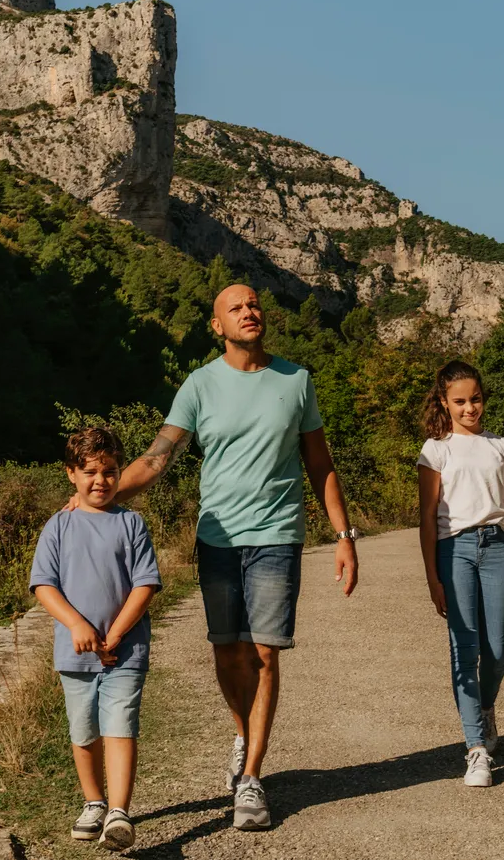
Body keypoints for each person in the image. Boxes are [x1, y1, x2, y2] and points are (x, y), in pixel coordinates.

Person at [100, 283, 359, 831]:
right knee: (227, 654)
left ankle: (252, 779)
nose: (249, 312)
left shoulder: (296, 379)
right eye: (235, 308)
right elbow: (156, 457)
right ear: (217, 326)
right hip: (217, 538)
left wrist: (344, 534)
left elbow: (320, 463)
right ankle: (243, 735)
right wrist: (98, 496)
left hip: (277, 534)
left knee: (264, 654)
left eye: (254, 304)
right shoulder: (200, 385)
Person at [30, 426, 162, 851]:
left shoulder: (131, 524)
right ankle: (94, 802)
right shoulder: (58, 526)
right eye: (90, 471)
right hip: (76, 654)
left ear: (120, 473)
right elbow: (44, 586)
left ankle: (119, 813)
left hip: (125, 651)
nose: (100, 480)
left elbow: (145, 585)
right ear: (71, 473)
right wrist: (78, 626)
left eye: (109, 471)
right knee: (84, 730)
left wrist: (117, 632)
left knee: (121, 725)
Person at [416, 360, 504, 787]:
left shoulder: (500, 446)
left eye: (476, 399)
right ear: (444, 403)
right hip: (455, 550)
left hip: (497, 547)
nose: (470, 408)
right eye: (460, 401)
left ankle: (484, 709)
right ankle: (476, 748)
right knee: (465, 650)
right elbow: (428, 518)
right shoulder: (435, 449)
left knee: (496, 650)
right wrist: (432, 578)